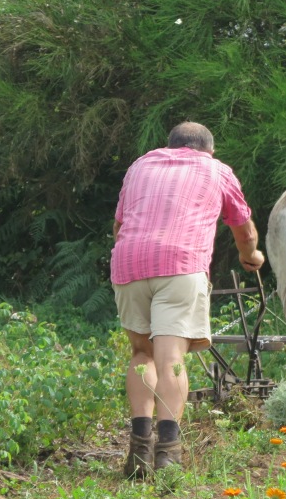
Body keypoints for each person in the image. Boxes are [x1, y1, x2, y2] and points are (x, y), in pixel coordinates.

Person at [111, 122, 264, 478]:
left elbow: (119, 226)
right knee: (171, 359)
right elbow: (244, 229)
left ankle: (138, 449)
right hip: (179, 265)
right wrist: (251, 256)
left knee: (141, 354)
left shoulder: (140, 165)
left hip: (129, 262)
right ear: (208, 150)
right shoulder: (217, 169)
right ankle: (168, 453)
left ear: (171, 145)